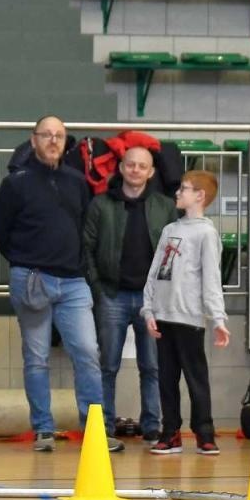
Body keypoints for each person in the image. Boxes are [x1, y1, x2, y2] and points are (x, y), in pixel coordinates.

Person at [0, 116, 118, 453]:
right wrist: (25, 260)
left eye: (59, 135)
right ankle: (43, 428)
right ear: (33, 140)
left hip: (74, 282)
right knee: (36, 358)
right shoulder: (16, 183)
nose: (52, 140)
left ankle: (95, 428)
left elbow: (83, 227)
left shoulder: (77, 182)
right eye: (46, 134)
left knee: (88, 353)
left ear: (65, 142)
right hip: (33, 280)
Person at [84, 146, 177, 444]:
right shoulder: (100, 205)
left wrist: (164, 293)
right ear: (121, 168)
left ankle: (152, 426)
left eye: (142, 166)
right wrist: (98, 288)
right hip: (112, 295)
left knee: (151, 366)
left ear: (151, 172)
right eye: (131, 165)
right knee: (107, 366)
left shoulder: (165, 207)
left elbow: (176, 254)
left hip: (152, 301)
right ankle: (105, 428)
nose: (136, 170)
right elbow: (87, 248)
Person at [141, 171, 229, 455]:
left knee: (195, 378)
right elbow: (155, 273)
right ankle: (171, 433)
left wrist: (218, 318)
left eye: (184, 189)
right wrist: (148, 309)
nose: (178, 193)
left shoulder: (207, 233)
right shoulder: (169, 230)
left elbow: (211, 280)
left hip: (188, 317)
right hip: (163, 316)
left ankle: (205, 432)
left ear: (200, 196)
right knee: (166, 378)